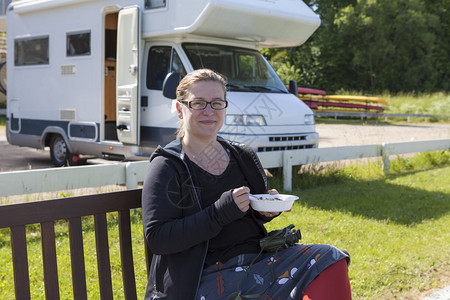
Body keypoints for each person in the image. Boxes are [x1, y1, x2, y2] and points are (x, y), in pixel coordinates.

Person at [142, 68, 351, 300]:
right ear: (181, 109)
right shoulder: (168, 165)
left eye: (217, 103)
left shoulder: (241, 155)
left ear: (225, 107)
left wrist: (265, 211)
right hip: (200, 279)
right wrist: (219, 213)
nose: (209, 111)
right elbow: (158, 239)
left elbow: (253, 210)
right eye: (198, 103)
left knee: (330, 258)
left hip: (257, 263)